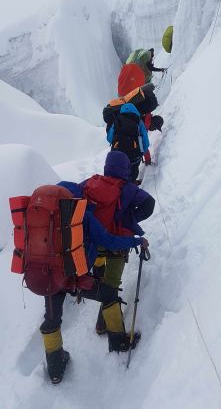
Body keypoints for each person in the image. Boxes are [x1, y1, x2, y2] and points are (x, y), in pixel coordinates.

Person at [37, 183, 149, 384]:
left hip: (48, 277)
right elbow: (110, 241)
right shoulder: (83, 216)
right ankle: (118, 341)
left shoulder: (44, 219)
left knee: (51, 318)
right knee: (108, 294)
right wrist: (136, 241)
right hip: (74, 279)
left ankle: (55, 367)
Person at [75, 150, 155, 335]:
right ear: (126, 168)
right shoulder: (128, 188)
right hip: (118, 242)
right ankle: (107, 327)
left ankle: (92, 286)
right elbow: (149, 203)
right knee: (111, 285)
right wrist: (130, 220)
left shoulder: (91, 183)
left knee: (99, 274)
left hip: (95, 241)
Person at [107, 103, 150, 182]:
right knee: (132, 173)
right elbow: (145, 141)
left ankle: (118, 187)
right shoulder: (139, 121)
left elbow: (109, 138)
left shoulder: (118, 120)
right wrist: (141, 153)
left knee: (118, 173)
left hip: (117, 153)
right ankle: (131, 185)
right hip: (134, 156)